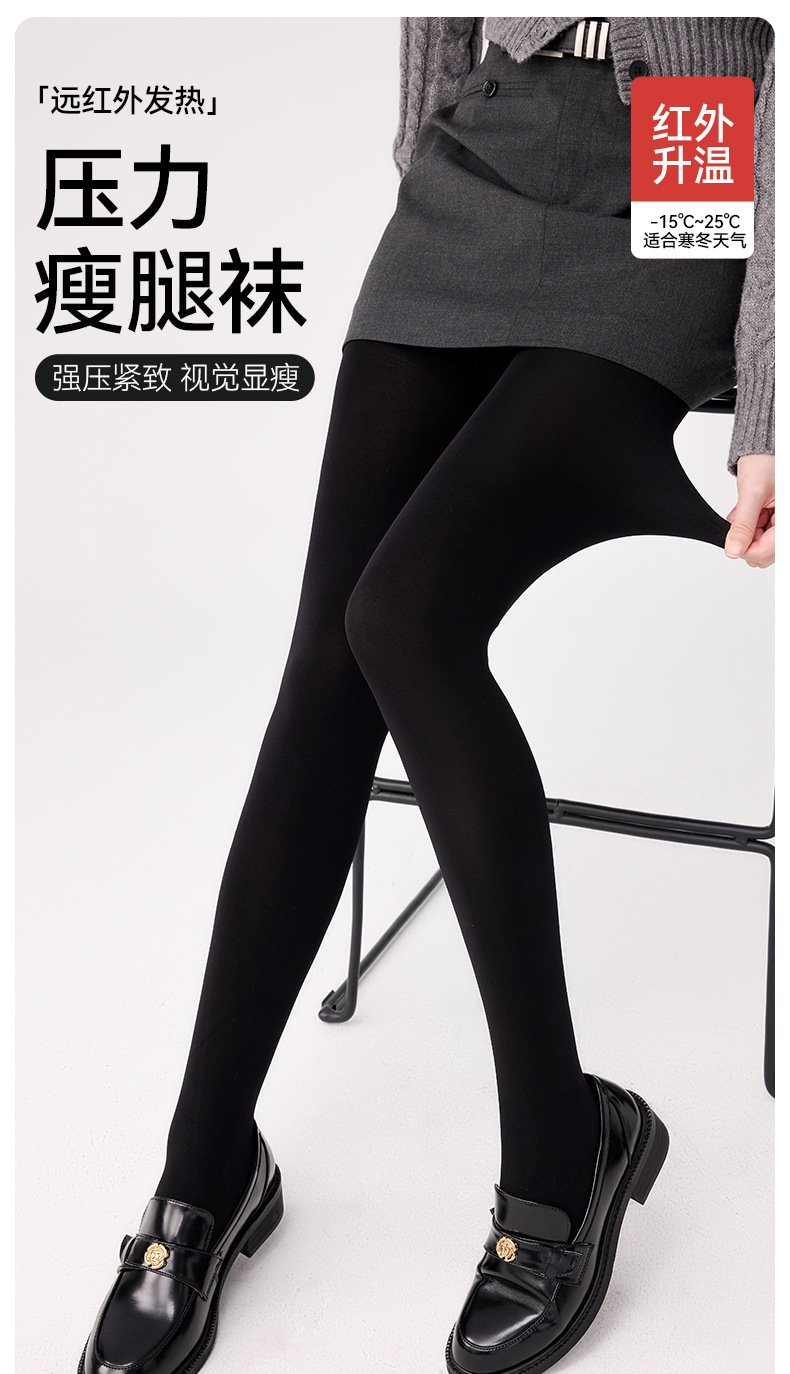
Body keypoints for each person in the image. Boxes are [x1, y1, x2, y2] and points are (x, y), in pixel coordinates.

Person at [77, 16, 775, 1374]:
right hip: (474, 172)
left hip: (682, 160)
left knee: (402, 616)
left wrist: (768, 398)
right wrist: (436, 148)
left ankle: (562, 1142)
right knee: (327, 663)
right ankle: (206, 1164)